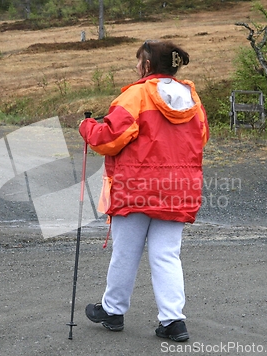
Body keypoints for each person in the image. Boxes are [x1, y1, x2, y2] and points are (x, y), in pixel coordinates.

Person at [79, 40, 209, 342]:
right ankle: (173, 321)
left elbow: (107, 139)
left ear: (147, 66)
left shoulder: (136, 95)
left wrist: (87, 126)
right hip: (178, 190)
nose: (137, 67)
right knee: (167, 256)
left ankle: (113, 310)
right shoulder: (192, 98)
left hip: (135, 189)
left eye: (139, 62)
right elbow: (201, 138)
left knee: (125, 253)